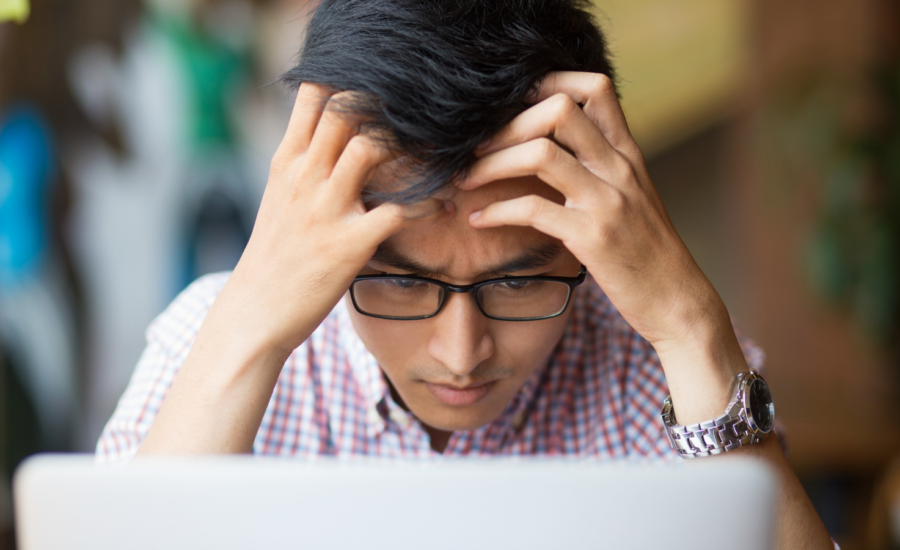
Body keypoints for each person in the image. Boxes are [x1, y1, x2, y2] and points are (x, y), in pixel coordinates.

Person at [97, 0, 835, 547]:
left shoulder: (668, 366)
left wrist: (691, 328)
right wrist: (249, 329)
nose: (460, 354)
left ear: (588, 246)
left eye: (517, 283)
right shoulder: (212, 335)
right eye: (401, 281)